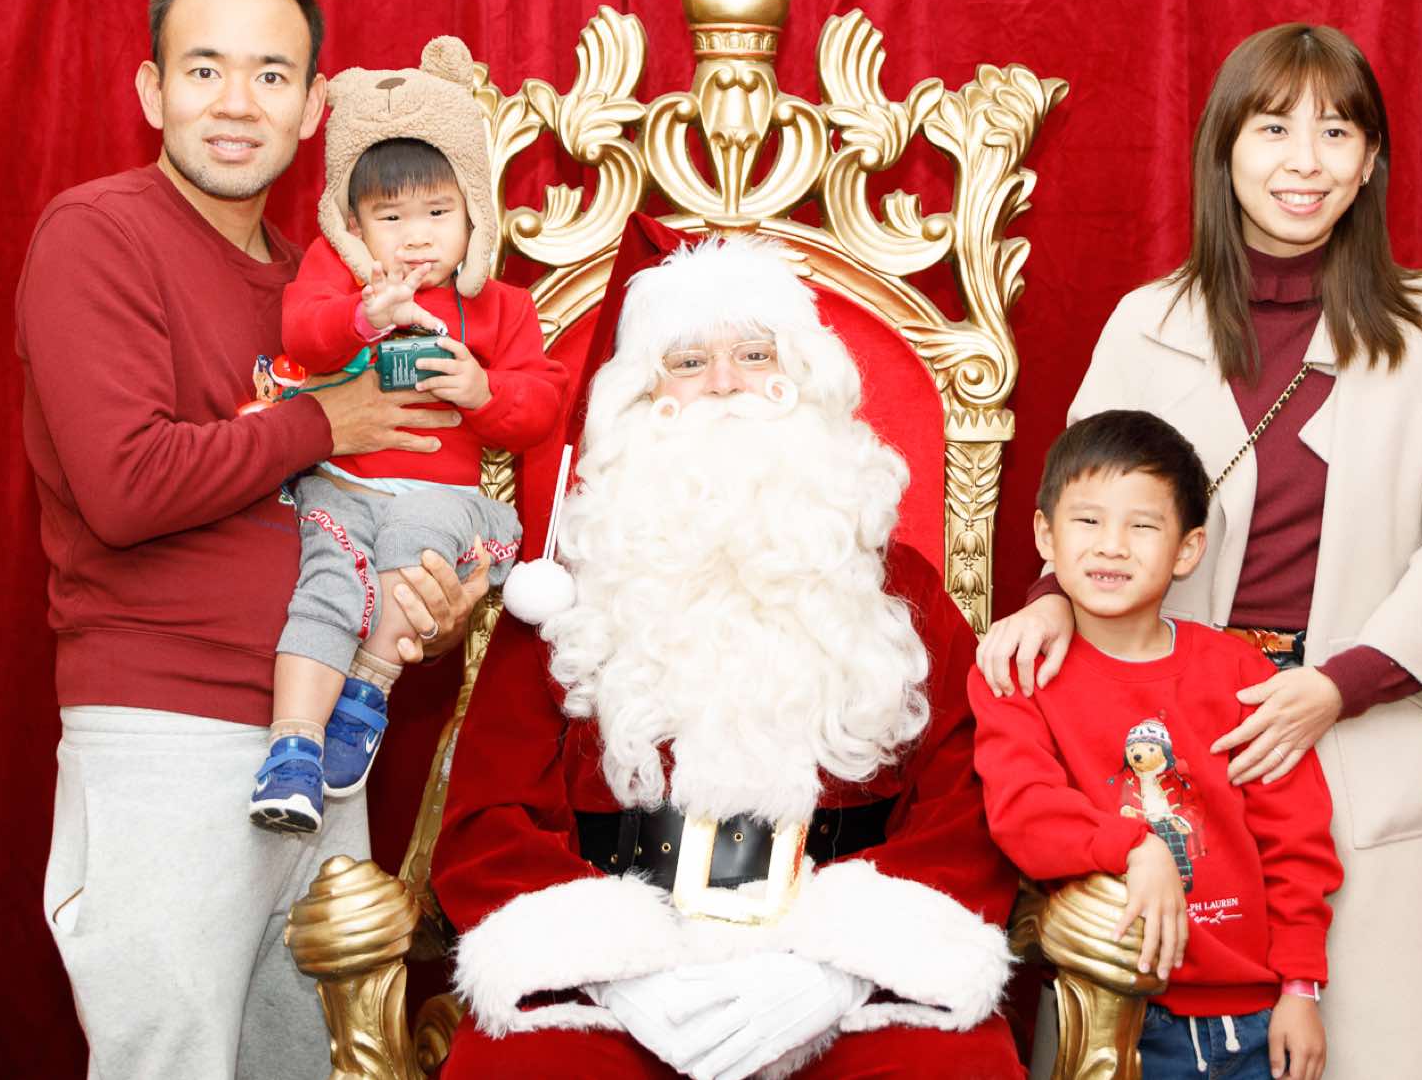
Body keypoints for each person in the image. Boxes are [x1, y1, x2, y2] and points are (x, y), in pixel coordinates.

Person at [978, 23, 1422, 1080]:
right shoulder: (1146, 325)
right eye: (1272, 128)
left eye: (1336, 131)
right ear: (1223, 148)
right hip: (1178, 737)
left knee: (1383, 1045)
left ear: (1371, 160)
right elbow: (1085, 496)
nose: (1303, 161)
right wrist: (1048, 598)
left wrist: (1336, 685)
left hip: (1370, 729)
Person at [16, 0, 488, 1079]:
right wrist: (328, 419)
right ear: (151, 90)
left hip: (316, 739)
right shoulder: (98, 234)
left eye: (270, 75)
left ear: (313, 107)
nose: (237, 103)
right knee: (170, 1058)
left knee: (311, 1062)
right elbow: (125, 485)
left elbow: (366, 496)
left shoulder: (323, 288)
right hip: (168, 733)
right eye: (204, 69)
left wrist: (430, 603)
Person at [432, 224, 1022, 1080]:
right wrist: (618, 972)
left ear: (805, 377)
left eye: (754, 354)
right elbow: (487, 817)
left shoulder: (896, 584)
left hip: (838, 970)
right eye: (687, 361)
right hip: (617, 980)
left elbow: (968, 794)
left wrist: (836, 970)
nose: (723, 384)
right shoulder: (563, 590)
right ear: (637, 395)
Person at [249, 39, 566, 833]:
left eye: (438, 213)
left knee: (413, 561)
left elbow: (540, 405)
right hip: (344, 486)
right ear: (352, 224)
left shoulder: (501, 307)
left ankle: (368, 691)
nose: (416, 237)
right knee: (325, 589)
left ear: (474, 214)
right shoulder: (340, 278)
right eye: (390, 219)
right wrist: (364, 315)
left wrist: (484, 391)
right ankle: (291, 747)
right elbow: (304, 331)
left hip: (438, 494)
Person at [969, 410, 1340, 1080]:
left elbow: (1296, 839)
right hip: (1122, 1014)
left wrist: (1300, 987)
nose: (1111, 546)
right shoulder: (1018, 673)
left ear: (1188, 550)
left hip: (1254, 1016)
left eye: (1141, 526)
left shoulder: (1240, 673)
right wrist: (1135, 845)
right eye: (1088, 521)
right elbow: (1024, 811)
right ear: (1045, 535)